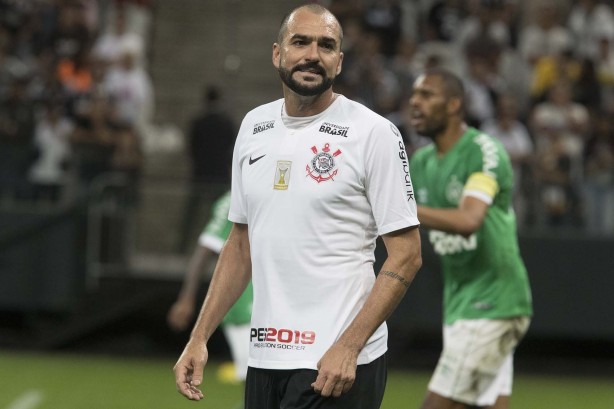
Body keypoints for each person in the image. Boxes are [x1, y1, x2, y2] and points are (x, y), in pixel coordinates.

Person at [173, 4, 422, 409]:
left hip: (335, 361)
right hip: (265, 357)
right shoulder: (253, 127)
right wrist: (199, 337)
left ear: (339, 62)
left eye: (326, 46)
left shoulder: (373, 134)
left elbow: (407, 255)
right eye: (300, 42)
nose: (312, 54)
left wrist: (349, 347)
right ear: (277, 53)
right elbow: (239, 243)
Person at [407, 68, 533, 409]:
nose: (414, 102)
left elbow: (469, 219)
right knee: (491, 404)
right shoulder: (420, 162)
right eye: (414, 95)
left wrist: (400, 210)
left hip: (494, 302)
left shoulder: (484, 151)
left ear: (453, 105)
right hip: (461, 303)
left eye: (426, 95)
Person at [168, 189, 253, 386]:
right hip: (245, 298)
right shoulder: (232, 199)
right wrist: (186, 298)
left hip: (269, 294)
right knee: (255, 377)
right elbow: (204, 250)